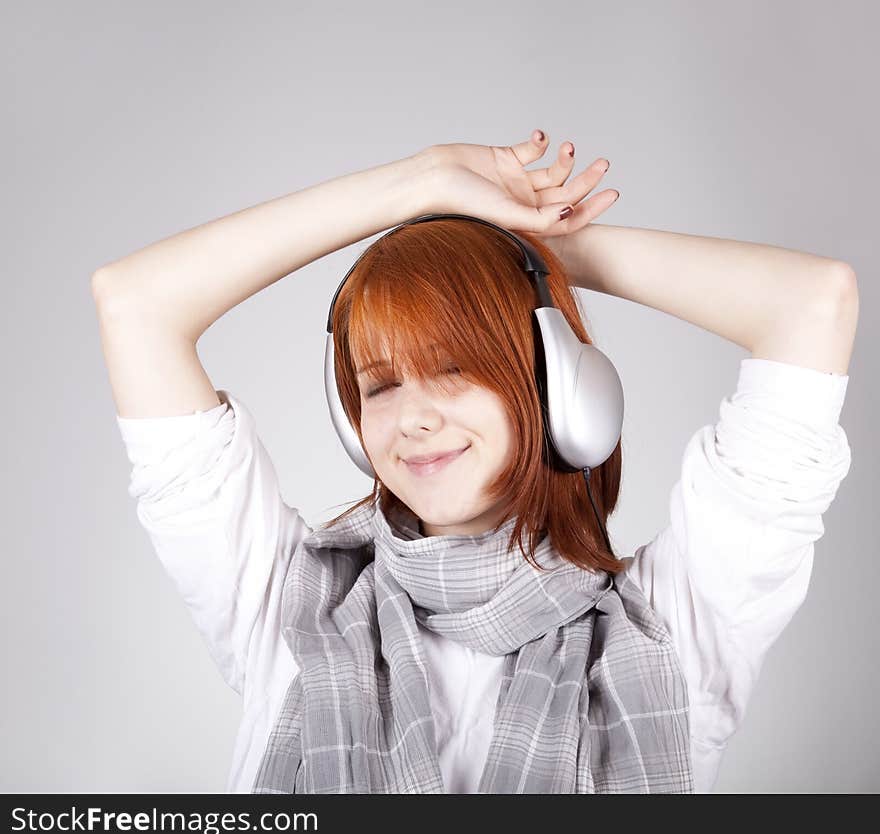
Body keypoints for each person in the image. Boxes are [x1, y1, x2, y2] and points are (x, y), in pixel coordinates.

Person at [92, 130, 857, 793]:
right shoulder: (286, 606)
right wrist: (421, 184)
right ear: (353, 426)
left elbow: (811, 304)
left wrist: (520, 250)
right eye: (382, 384)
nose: (414, 417)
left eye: (455, 367)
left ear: (560, 388)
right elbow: (135, 304)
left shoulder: (676, 623)